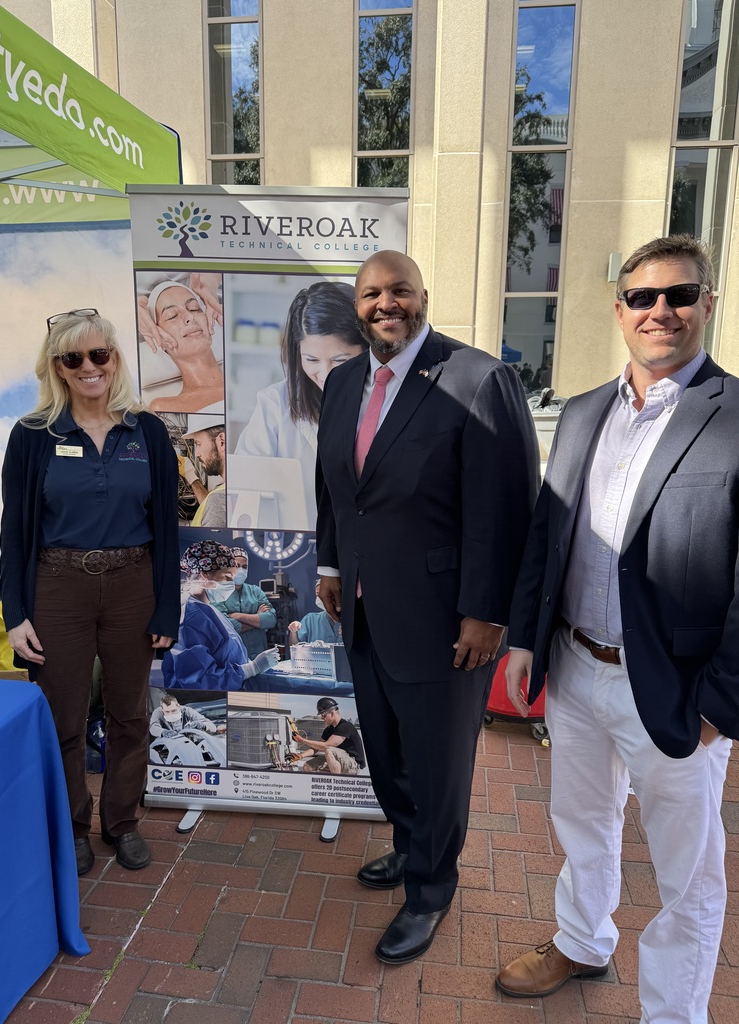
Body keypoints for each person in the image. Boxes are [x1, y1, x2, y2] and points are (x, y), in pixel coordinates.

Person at [496, 235, 738, 1023]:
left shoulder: (734, 416)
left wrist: (718, 707)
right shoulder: (584, 410)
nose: (660, 310)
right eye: (644, 297)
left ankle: (673, 1015)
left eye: (679, 295)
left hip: (674, 692)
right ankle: (581, 940)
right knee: (583, 823)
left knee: (687, 877)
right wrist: (529, 640)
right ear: (620, 309)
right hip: (573, 668)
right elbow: (548, 532)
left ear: (707, 303)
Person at [316, 250, 539, 964]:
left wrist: (487, 611)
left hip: (448, 621)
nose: (387, 304)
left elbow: (505, 509)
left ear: (422, 296)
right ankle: (413, 851)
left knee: (439, 765)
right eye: (372, 294)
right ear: (358, 306)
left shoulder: (478, 378)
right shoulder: (346, 380)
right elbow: (336, 488)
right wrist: (328, 563)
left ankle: (432, 889)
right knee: (386, 753)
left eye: (399, 291)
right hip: (364, 610)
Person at [0, 308, 180, 876]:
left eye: (98, 354)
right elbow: (13, 532)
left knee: (129, 715)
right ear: (56, 366)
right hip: (57, 588)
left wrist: (166, 606)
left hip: (133, 585)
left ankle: (121, 823)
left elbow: (169, 532)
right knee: (63, 720)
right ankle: (73, 827)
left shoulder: (146, 431)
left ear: (115, 359)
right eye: (72, 357)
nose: (88, 367)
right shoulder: (32, 436)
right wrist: (16, 611)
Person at [235, 281, 367, 526]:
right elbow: (247, 493)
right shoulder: (274, 405)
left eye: (340, 360)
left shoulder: (384, 400)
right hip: (295, 551)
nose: (326, 374)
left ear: (366, 349)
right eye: (312, 359)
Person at [162, 540, 279, 691]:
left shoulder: (209, 609)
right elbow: (196, 680)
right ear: (205, 574)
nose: (231, 583)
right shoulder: (189, 617)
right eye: (227, 577)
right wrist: (250, 669)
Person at [139, 275, 225, 414]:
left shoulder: (249, 380)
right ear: (161, 339)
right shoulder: (163, 407)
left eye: (194, 308)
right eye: (172, 315)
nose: (189, 317)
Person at [208, 546, 277, 660]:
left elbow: (271, 620)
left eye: (244, 567)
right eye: (236, 566)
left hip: (259, 656)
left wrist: (237, 616)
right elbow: (225, 626)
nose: (241, 570)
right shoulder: (218, 593)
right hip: (232, 659)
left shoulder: (255, 591)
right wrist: (257, 621)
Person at [291, 697, 365, 774]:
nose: (322, 718)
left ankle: (336, 781)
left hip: (352, 765)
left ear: (332, 713)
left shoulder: (346, 726)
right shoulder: (329, 730)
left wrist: (303, 740)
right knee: (307, 766)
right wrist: (300, 756)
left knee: (329, 749)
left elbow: (326, 745)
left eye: (323, 715)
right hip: (339, 762)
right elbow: (316, 748)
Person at [180, 415, 226, 527]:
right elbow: (209, 507)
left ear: (222, 442)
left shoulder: (220, 498)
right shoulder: (225, 489)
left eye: (198, 444)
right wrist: (191, 476)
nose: (196, 454)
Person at [288, 579, 343, 645]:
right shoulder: (310, 620)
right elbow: (294, 646)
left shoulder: (351, 620)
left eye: (324, 594)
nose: (320, 598)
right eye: (317, 594)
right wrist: (294, 631)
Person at [149, 693, 226, 737]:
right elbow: (153, 727)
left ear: (178, 706)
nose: (171, 714)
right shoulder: (158, 712)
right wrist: (164, 732)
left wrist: (202, 725)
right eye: (167, 712)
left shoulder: (187, 711)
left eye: (174, 710)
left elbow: (212, 726)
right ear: (162, 710)